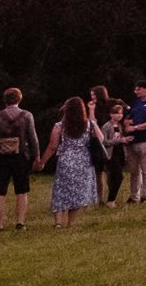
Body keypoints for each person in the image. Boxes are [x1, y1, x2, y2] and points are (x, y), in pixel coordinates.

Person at [0, 87, 39, 231]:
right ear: (19, 99)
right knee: (21, 190)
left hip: (0, 158)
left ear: (5, 100)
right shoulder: (27, 116)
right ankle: (20, 223)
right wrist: (36, 156)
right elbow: (33, 139)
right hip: (21, 157)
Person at [38, 96, 100, 229]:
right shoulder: (89, 124)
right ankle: (71, 223)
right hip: (84, 161)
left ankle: (58, 222)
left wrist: (42, 162)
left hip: (66, 160)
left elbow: (52, 146)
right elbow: (101, 138)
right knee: (77, 192)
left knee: (60, 190)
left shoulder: (60, 126)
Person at [97, 100, 130, 207]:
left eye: (121, 113)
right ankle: (111, 200)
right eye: (117, 113)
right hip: (111, 154)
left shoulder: (121, 126)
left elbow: (122, 138)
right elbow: (104, 142)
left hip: (121, 153)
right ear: (111, 114)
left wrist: (126, 139)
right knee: (118, 176)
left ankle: (112, 199)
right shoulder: (106, 126)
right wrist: (120, 140)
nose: (119, 115)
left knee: (116, 177)